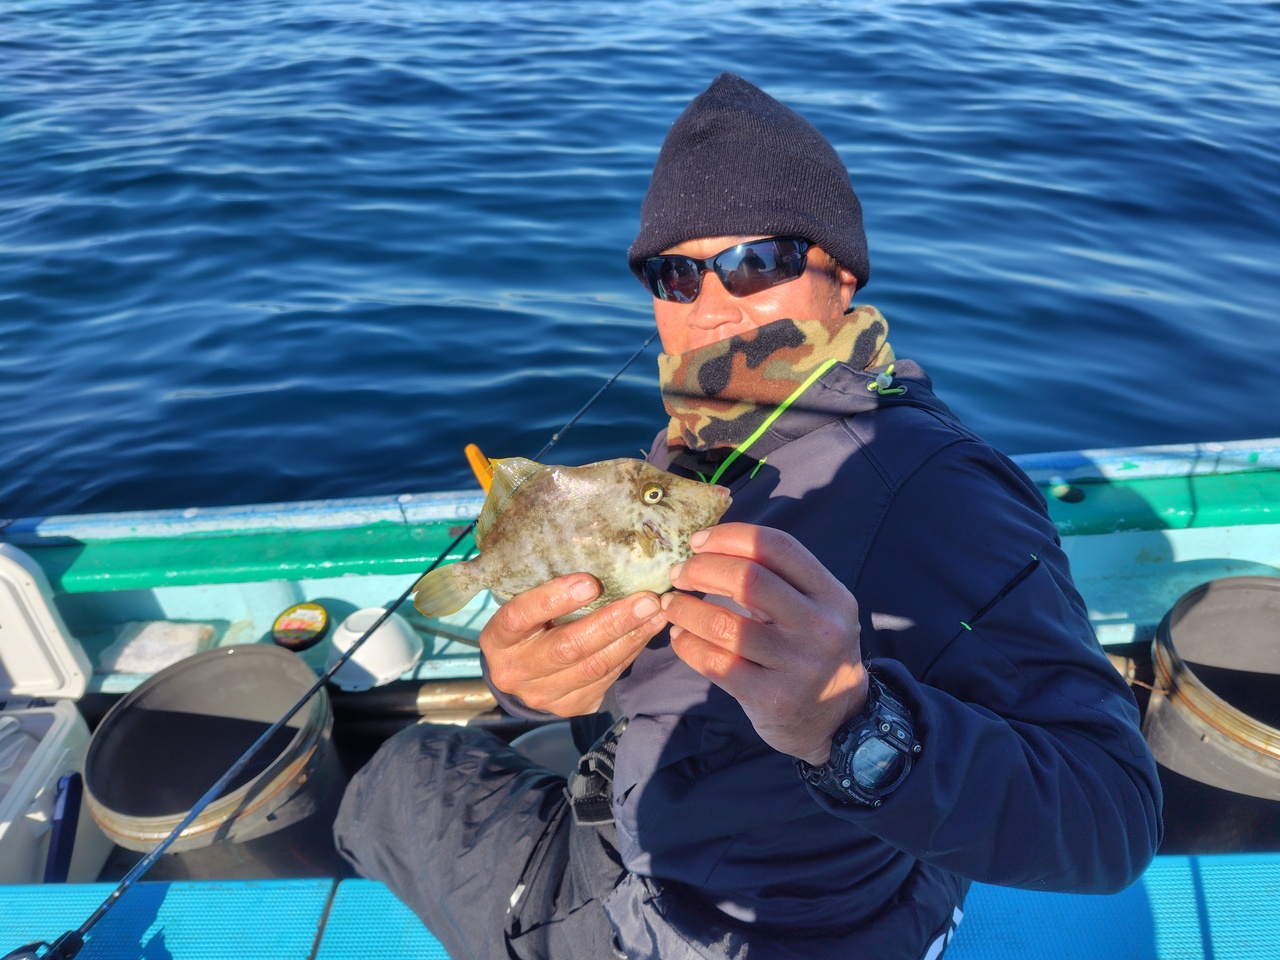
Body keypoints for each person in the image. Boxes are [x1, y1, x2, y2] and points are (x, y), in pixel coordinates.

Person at [334, 72, 1163, 960]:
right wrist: (525, 679)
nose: (712, 307)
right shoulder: (712, 438)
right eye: (676, 274)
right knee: (527, 736)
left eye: (757, 262)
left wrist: (851, 726)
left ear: (841, 275)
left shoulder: (937, 489)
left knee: (396, 779)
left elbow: (1112, 817)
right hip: (759, 838)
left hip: (714, 926)